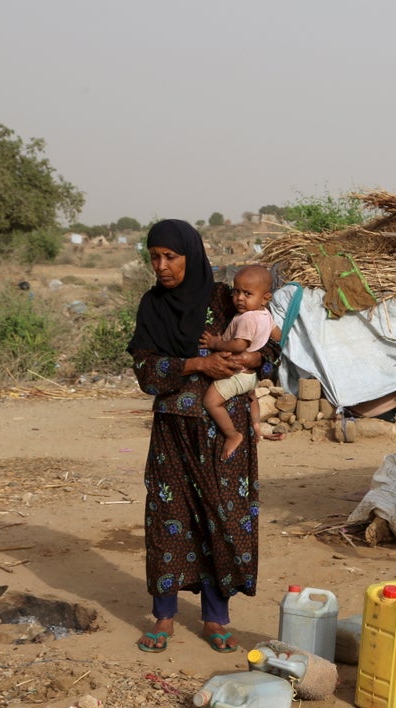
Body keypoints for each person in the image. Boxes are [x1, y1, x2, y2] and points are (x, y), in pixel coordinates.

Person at [127, 220, 277, 654]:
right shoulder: (152, 307)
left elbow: (268, 347)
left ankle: (216, 617)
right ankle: (164, 616)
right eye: (154, 257)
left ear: (191, 255)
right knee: (168, 520)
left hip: (222, 433)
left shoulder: (225, 300)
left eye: (170, 256)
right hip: (173, 432)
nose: (162, 265)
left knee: (222, 519)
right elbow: (146, 372)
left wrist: (250, 357)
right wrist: (196, 365)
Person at [199, 265, 281, 460]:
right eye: (236, 291)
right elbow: (278, 336)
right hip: (251, 376)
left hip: (238, 374)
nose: (240, 298)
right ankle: (256, 426)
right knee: (251, 397)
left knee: (210, 402)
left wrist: (216, 342)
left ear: (265, 297)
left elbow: (238, 345)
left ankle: (232, 434)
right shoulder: (266, 315)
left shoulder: (246, 318)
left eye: (247, 293)